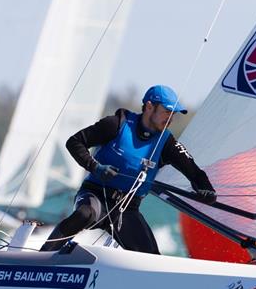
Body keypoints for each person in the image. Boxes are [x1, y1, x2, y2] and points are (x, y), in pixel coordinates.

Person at [40, 85, 216, 254]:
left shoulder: (167, 143)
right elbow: (74, 142)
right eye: (167, 112)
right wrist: (96, 167)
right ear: (149, 107)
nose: (170, 119)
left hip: (126, 209)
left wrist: (207, 190)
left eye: (173, 114)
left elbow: (195, 173)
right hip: (96, 196)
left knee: (151, 258)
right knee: (84, 213)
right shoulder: (117, 124)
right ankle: (40, 258)